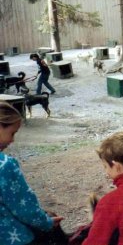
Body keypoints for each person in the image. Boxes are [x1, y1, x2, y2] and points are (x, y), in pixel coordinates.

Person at [0, 102, 63, 245]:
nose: (12, 140)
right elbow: (24, 208)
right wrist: (47, 223)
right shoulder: (6, 165)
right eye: (12, 133)